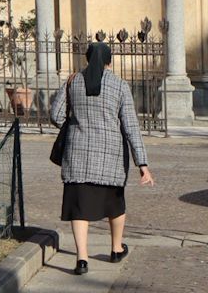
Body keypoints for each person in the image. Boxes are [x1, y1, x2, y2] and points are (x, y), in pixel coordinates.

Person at [50, 41, 154, 275]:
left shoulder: (73, 81)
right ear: (109, 60)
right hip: (111, 157)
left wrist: (76, 123)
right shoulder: (119, 85)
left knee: (79, 208)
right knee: (114, 204)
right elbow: (130, 126)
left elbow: (55, 116)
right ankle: (116, 249)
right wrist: (143, 164)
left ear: (87, 58)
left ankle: (82, 259)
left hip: (77, 155)